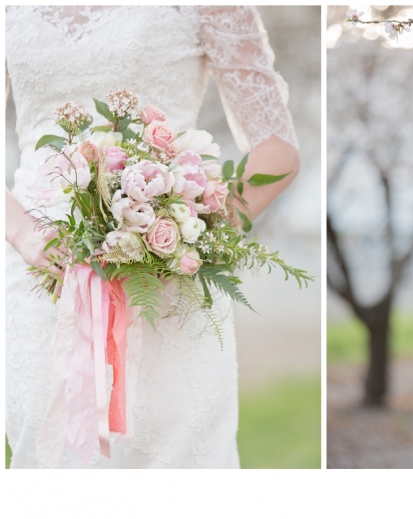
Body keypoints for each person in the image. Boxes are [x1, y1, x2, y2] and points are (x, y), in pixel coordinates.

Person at [5, 5, 300, 469]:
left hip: (165, 281)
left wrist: (193, 232)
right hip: (40, 276)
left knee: (169, 452)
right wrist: (22, 233)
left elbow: (278, 151)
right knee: (50, 450)